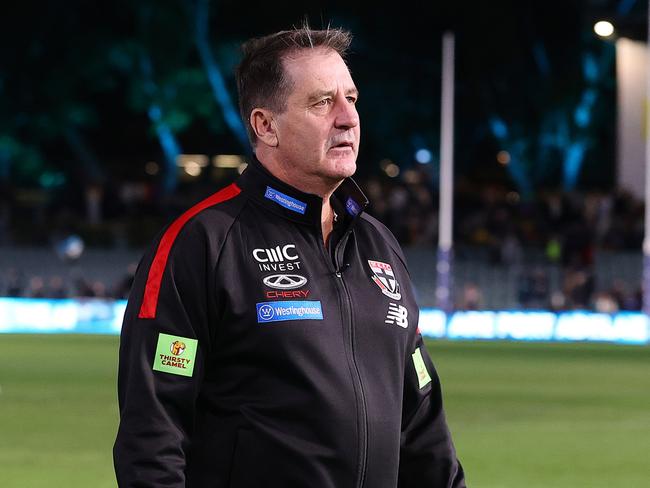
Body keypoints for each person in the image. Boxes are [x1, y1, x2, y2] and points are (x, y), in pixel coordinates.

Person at [113, 25, 465, 488]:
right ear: (266, 125)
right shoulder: (201, 243)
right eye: (322, 102)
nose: (347, 118)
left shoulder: (379, 246)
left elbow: (422, 427)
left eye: (352, 99)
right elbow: (151, 435)